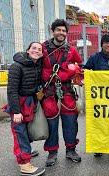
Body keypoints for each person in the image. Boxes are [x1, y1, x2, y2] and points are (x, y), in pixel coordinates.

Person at [41, 19, 82, 167]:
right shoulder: (43, 48)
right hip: (49, 90)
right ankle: (52, 152)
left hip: (66, 90)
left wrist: (75, 71)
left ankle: (71, 150)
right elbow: (33, 63)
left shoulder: (71, 50)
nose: (61, 33)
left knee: (70, 120)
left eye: (64, 31)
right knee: (51, 121)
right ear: (53, 31)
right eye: (58, 30)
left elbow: (80, 65)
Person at [6, 42, 45, 176]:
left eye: (39, 49)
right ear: (28, 50)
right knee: (19, 133)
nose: (36, 51)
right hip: (19, 103)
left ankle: (25, 151)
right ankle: (25, 165)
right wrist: (16, 111)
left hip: (30, 102)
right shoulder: (16, 66)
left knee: (26, 132)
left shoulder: (37, 65)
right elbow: (11, 90)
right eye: (34, 48)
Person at [83, 33, 109, 157]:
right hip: (99, 98)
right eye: (106, 43)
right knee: (99, 123)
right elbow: (86, 72)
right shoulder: (95, 58)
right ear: (102, 44)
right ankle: (99, 147)